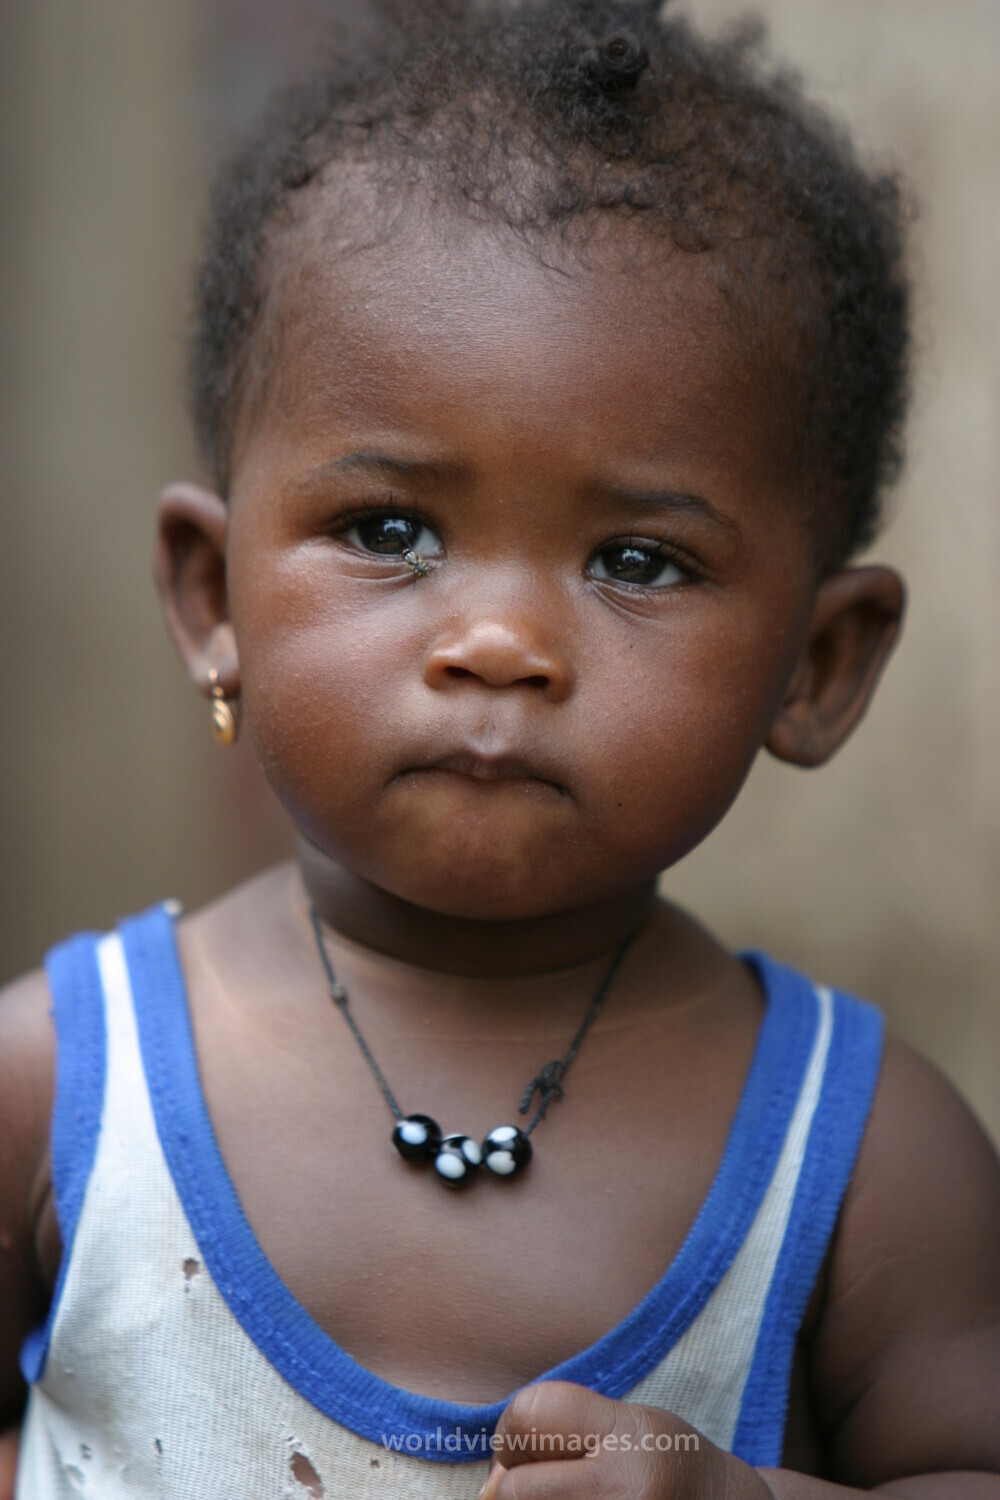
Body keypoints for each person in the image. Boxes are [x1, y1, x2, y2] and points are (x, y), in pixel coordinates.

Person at [1, 1, 998, 1495]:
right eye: (388, 531)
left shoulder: (865, 1159)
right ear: (214, 600)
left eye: (640, 561)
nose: (498, 643)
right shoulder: (61, 1088)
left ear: (818, 665)